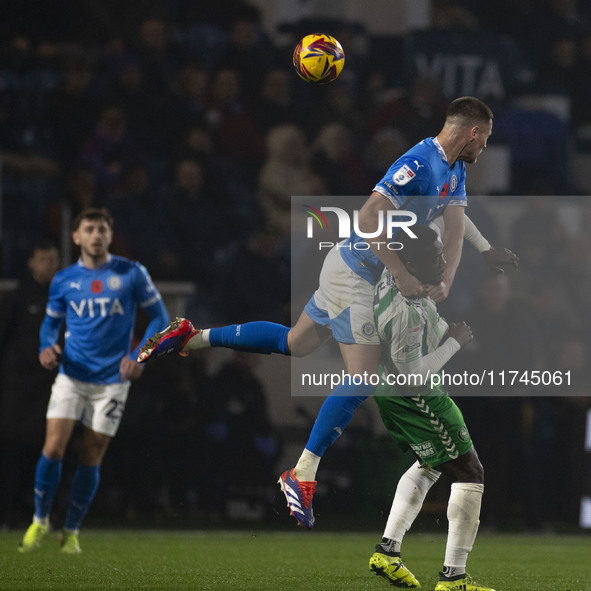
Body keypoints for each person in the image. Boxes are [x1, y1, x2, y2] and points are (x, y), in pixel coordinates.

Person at [138, 97, 518, 529]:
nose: (484, 148)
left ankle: (190, 335)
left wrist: (453, 275)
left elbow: (454, 224)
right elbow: (370, 214)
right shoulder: (419, 164)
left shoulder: (455, 169)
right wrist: (400, 272)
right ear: (471, 133)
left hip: (355, 271)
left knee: (294, 343)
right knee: (363, 377)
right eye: (484, 140)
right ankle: (301, 474)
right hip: (358, 273)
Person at [18, 208, 170, 553]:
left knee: (92, 453)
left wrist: (140, 356)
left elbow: (159, 316)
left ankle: (71, 530)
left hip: (113, 380)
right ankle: (40, 520)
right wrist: (45, 346)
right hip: (72, 375)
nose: (97, 235)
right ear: (76, 237)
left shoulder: (131, 272)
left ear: (110, 235)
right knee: (53, 447)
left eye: (102, 229)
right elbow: (50, 324)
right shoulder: (64, 280)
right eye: (89, 229)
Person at [368, 225, 494, 591]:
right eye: (434, 256)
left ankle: (387, 552)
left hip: (390, 388)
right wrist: (453, 342)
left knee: (431, 463)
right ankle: (453, 579)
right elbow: (412, 375)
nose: (442, 261)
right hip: (415, 393)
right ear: (410, 261)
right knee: (471, 472)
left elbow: (453, 220)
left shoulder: (399, 280)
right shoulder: (404, 312)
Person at [0, 240, 60, 528]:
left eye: (52, 259)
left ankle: (37, 510)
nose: (48, 265)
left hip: (48, 386)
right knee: (12, 448)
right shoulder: (16, 298)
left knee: (46, 448)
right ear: (31, 263)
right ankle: (7, 508)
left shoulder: (63, 299)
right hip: (17, 386)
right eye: (43, 258)